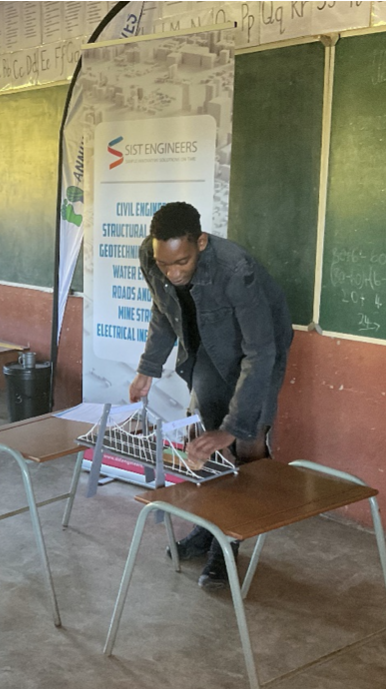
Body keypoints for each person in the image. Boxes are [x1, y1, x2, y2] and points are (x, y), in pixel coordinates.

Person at [128, 202, 293, 590]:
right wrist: (148, 368)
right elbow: (163, 310)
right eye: (164, 264)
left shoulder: (236, 270)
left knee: (247, 443)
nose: (172, 272)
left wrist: (233, 427)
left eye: (182, 262)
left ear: (201, 242)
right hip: (208, 344)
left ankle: (230, 541)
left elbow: (260, 352)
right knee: (203, 439)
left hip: (261, 347)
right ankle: (208, 528)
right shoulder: (151, 256)